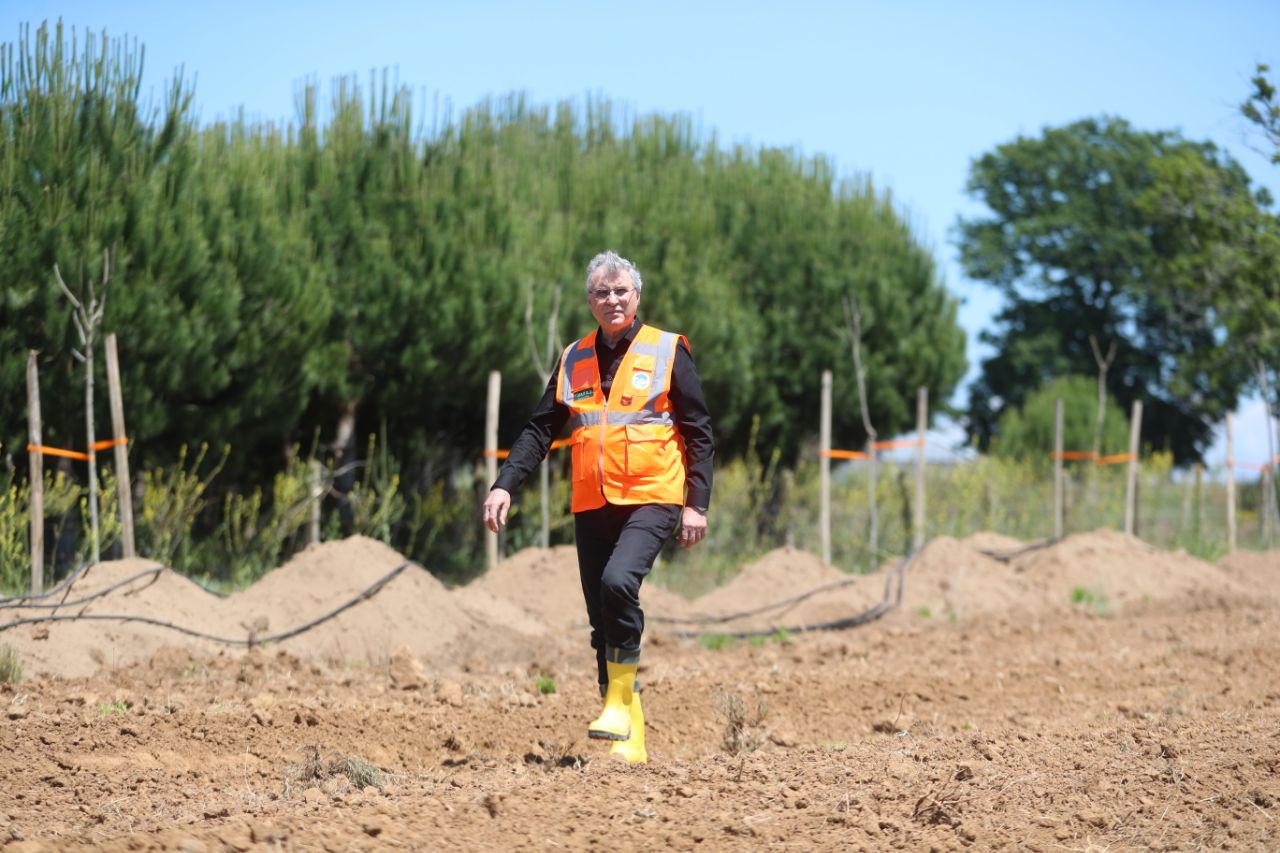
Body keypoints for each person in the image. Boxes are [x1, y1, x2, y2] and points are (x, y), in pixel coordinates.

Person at [482, 250, 714, 764]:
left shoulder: (667, 351)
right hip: (592, 500)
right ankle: (629, 721)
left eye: (620, 292)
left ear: (637, 296)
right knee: (600, 620)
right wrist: (504, 484)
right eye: (600, 293)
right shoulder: (574, 357)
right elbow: (541, 428)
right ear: (590, 301)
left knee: (618, 584)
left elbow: (698, 430)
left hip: (654, 495)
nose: (611, 300)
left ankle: (615, 703)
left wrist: (696, 503)